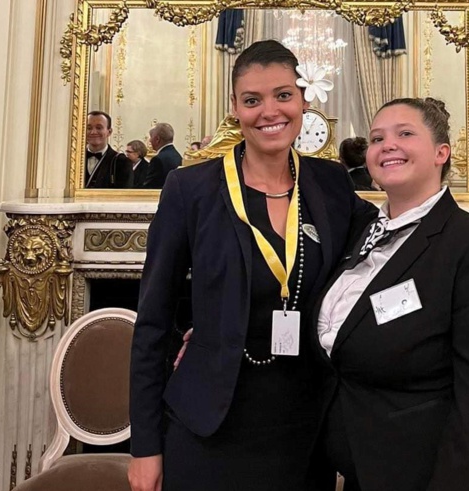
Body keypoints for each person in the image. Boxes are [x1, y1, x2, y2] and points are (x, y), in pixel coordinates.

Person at [128, 40, 375, 491]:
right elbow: (152, 321)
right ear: (235, 108)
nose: (269, 112)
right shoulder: (190, 189)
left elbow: (385, 247)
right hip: (211, 424)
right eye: (252, 100)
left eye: (283, 95)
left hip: (305, 427)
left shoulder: (331, 182)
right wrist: (144, 445)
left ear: (303, 98)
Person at [314, 98, 469, 491]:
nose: (387, 145)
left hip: (441, 472)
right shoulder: (357, 235)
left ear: (441, 153)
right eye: (377, 138)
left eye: (405, 134)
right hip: (366, 468)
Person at [84, 110, 133, 188]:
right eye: (89, 128)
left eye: (99, 128)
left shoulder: (122, 162)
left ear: (109, 132)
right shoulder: (74, 160)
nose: (93, 132)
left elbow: (124, 195)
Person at [143, 122, 183, 189]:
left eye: (151, 137)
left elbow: (149, 186)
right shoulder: (177, 155)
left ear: (157, 139)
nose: (150, 140)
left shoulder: (158, 159)